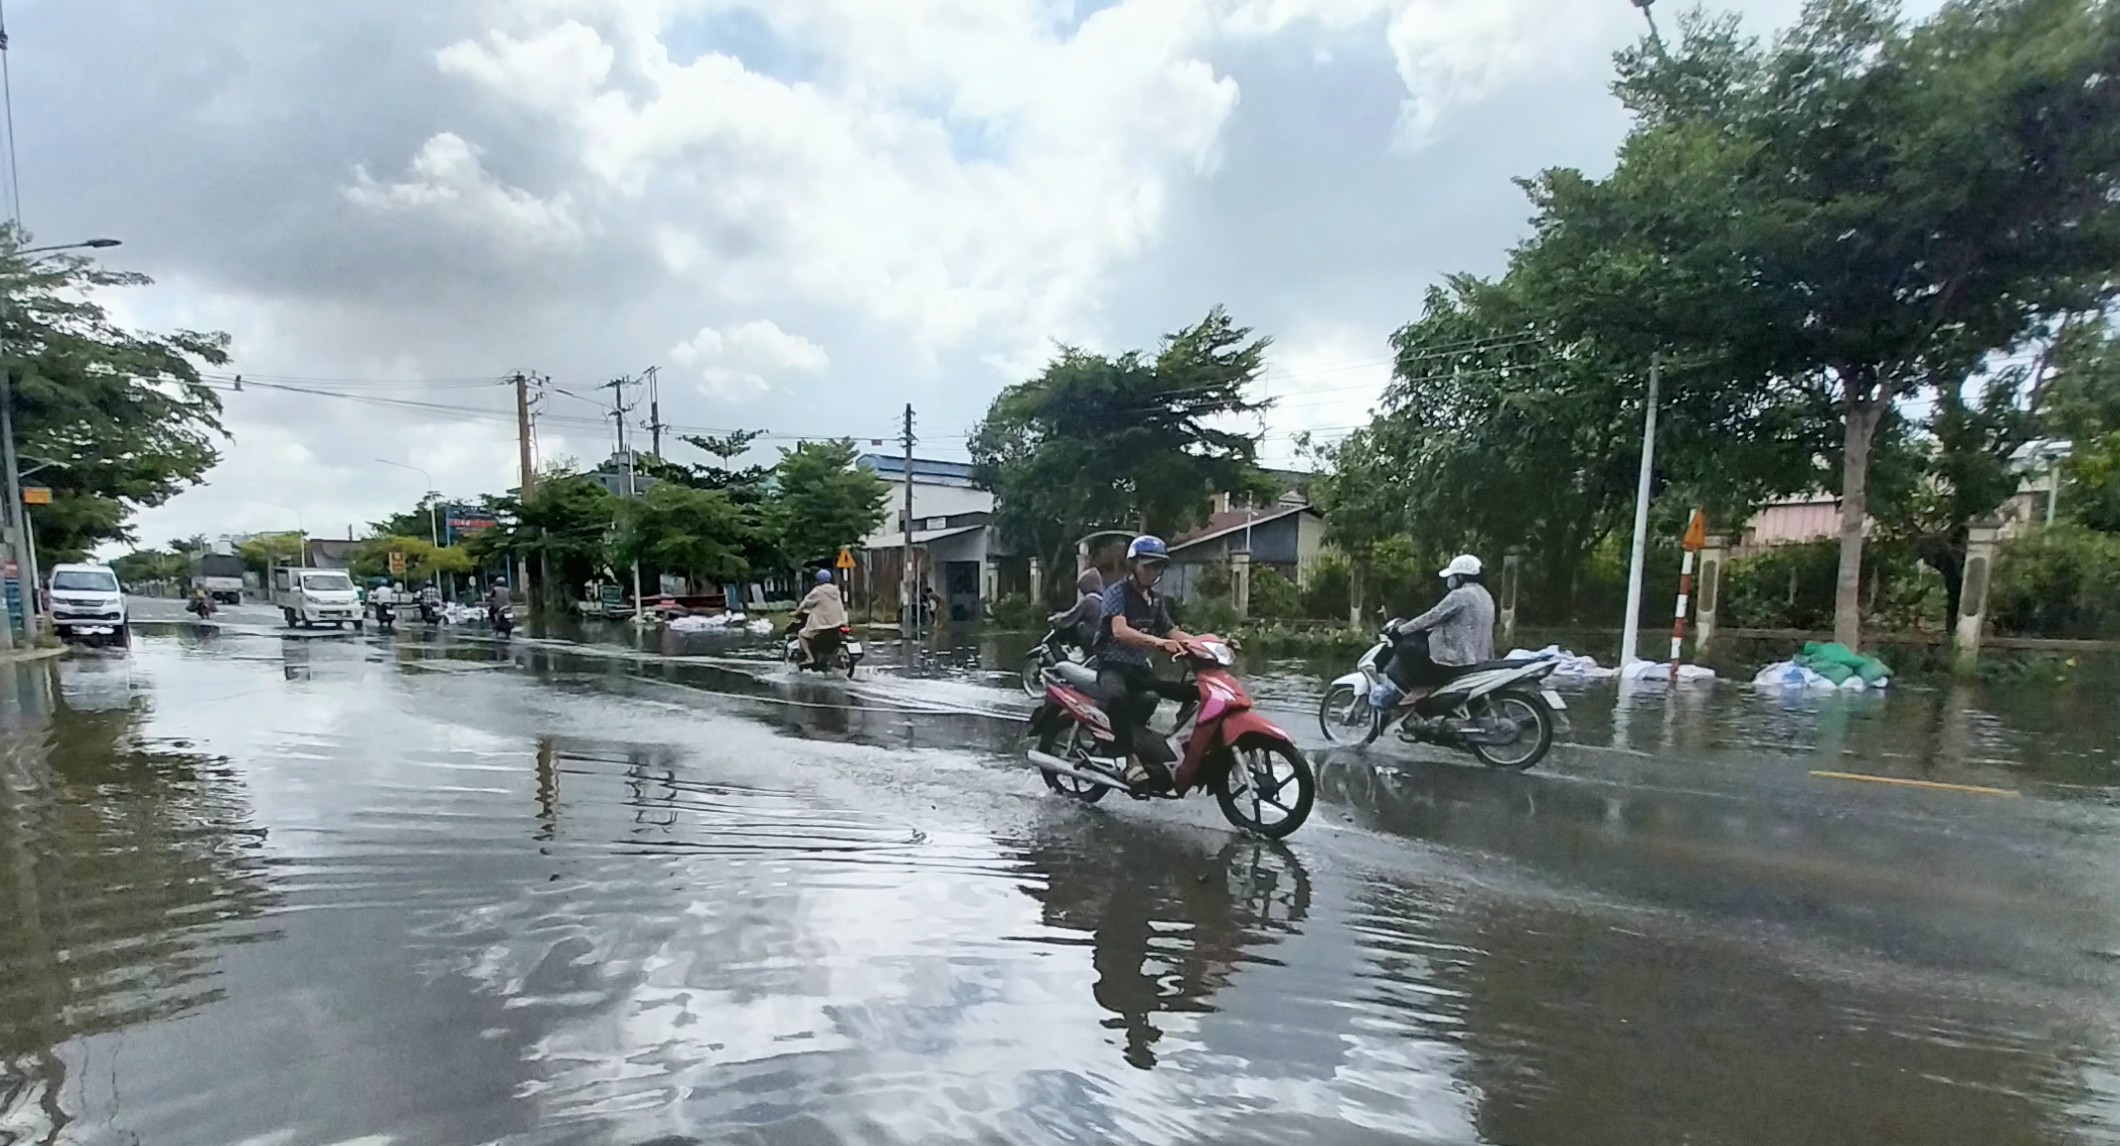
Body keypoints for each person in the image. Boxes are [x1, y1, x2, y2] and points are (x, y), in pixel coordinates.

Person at [1093, 536, 1197, 790]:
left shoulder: (1155, 601)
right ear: (1133, 566)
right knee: (1117, 697)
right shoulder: (1117, 593)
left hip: (1138, 670)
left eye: (1158, 566)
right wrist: (1159, 643)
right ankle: (1128, 759)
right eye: (1148, 566)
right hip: (1112, 666)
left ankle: (1152, 748)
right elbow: (1120, 631)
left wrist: (1213, 644)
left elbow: (1172, 631)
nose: (1153, 572)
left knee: (1184, 692)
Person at [1375, 554, 1496, 707]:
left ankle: (1419, 687)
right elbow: (1459, 622)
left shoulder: (1460, 595)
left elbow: (1432, 616)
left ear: (1460, 576)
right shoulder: (1485, 596)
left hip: (1455, 660)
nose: (1449, 580)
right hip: (1479, 657)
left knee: (1406, 649)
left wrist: (1400, 631)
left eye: (1452, 576)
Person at [794, 568, 847, 666]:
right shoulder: (835, 591)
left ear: (817, 580)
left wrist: (797, 612)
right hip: (838, 623)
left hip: (823, 625)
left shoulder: (817, 592)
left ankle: (810, 658)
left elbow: (805, 603)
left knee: (802, 634)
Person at [1048, 566, 1104, 652]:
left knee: (1080, 626)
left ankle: (1079, 651)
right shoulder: (1101, 599)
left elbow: (1071, 616)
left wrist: (1055, 619)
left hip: (1091, 639)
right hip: (1100, 638)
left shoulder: (1089, 601)